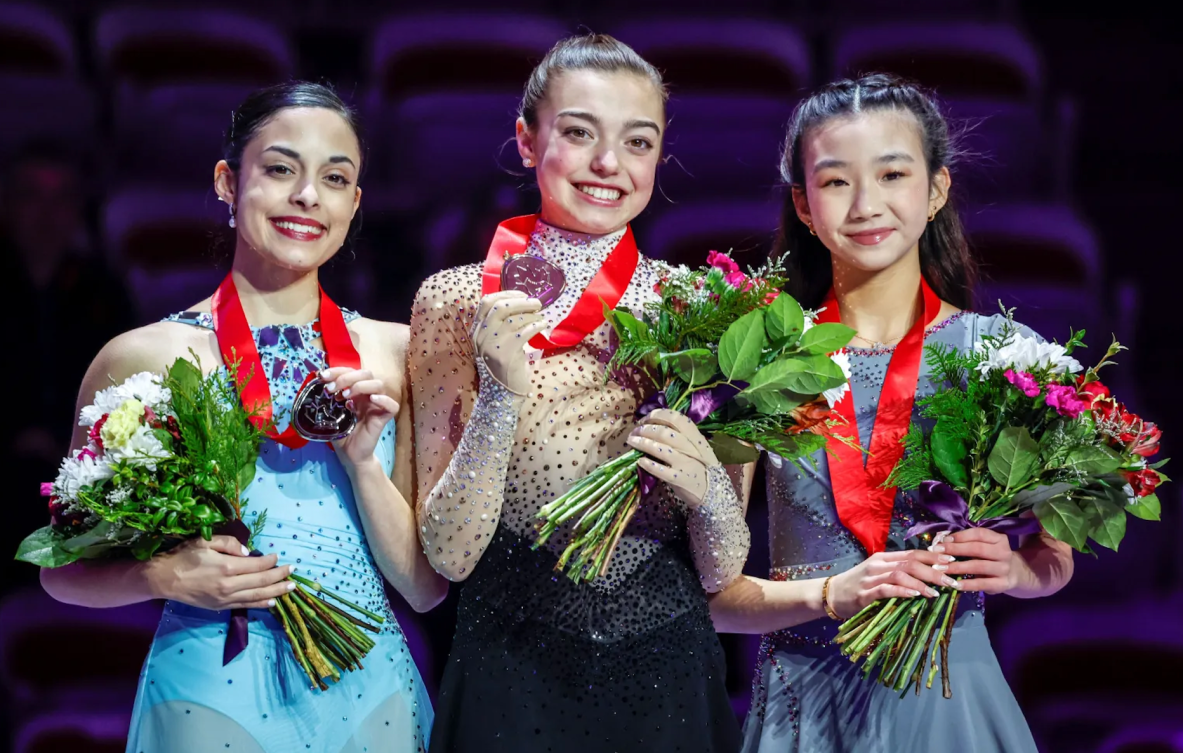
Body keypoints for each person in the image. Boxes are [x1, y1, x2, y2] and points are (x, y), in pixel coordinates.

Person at [39, 82, 446, 753]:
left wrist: (362, 463)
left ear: (354, 203)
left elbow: (424, 590)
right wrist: (161, 575)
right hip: (209, 683)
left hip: (371, 689)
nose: (307, 196)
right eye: (281, 169)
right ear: (228, 182)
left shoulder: (396, 351)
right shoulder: (142, 356)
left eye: (334, 178)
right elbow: (61, 569)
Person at [709, 74, 1076, 752]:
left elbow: (1054, 559)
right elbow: (713, 596)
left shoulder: (1010, 360)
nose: (865, 204)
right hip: (802, 704)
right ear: (804, 203)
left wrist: (1018, 572)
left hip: (949, 698)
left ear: (935, 190)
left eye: (891, 174)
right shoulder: (755, 362)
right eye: (836, 181)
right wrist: (826, 594)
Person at [409, 34, 752, 752]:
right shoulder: (453, 300)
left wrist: (708, 492)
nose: (608, 165)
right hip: (508, 669)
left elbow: (722, 567)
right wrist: (499, 397)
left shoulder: (705, 310)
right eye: (577, 133)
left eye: (637, 141)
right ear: (527, 141)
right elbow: (449, 554)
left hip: (666, 673)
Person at [1, 140, 136, 594]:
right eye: (32, 196)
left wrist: (71, 447)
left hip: (80, 473)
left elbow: (129, 390)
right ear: (8, 203)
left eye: (61, 199)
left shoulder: (104, 292)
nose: (47, 214)